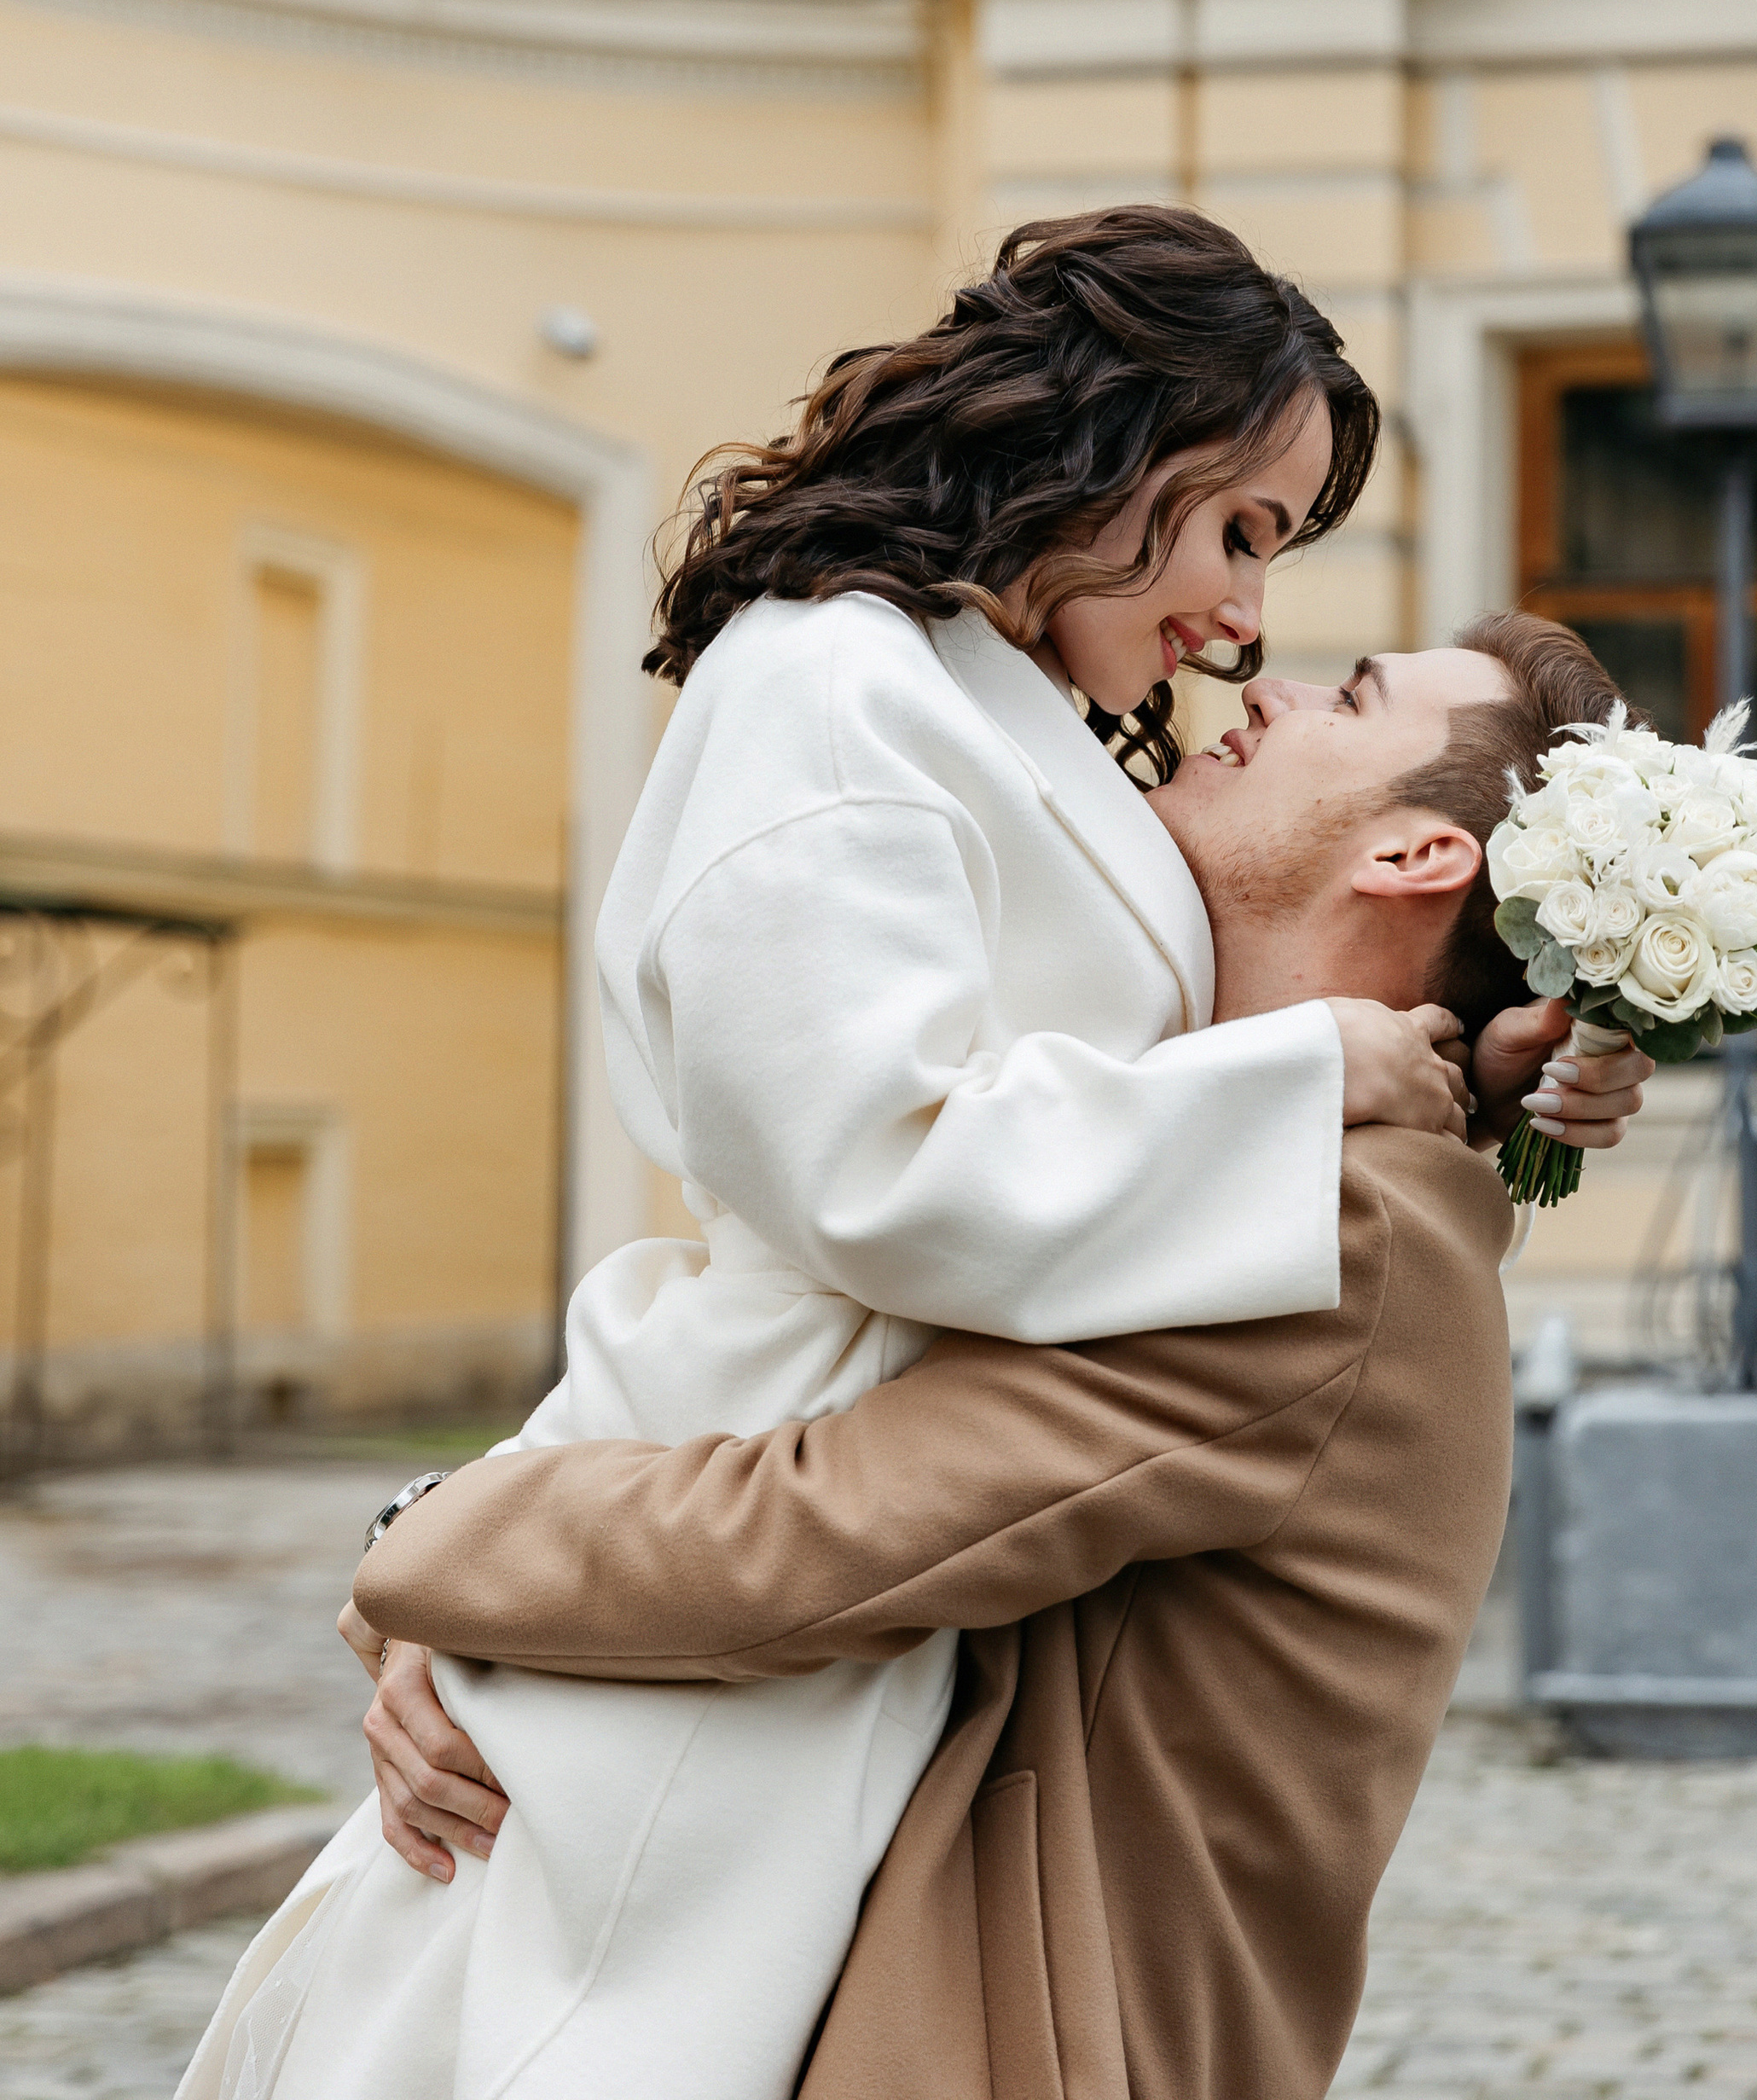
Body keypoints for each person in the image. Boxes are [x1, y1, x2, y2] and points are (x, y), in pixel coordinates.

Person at [179, 214, 1593, 2100]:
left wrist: (1479, 1059)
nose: (1247, 629)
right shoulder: (835, 690)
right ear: (1112, 450)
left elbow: (1141, 1113)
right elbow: (874, 1174)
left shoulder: (1019, 716)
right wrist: (443, 1554)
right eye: (1241, 531)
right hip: (728, 1543)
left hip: (822, 1593)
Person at [345, 618, 1652, 2100]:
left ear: (1418, 860)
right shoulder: (1248, 1155)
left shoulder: (1337, 1232)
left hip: (1030, 2036)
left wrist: (428, 1538)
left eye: (1351, 698)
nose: (1263, 679)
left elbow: (814, 1535)